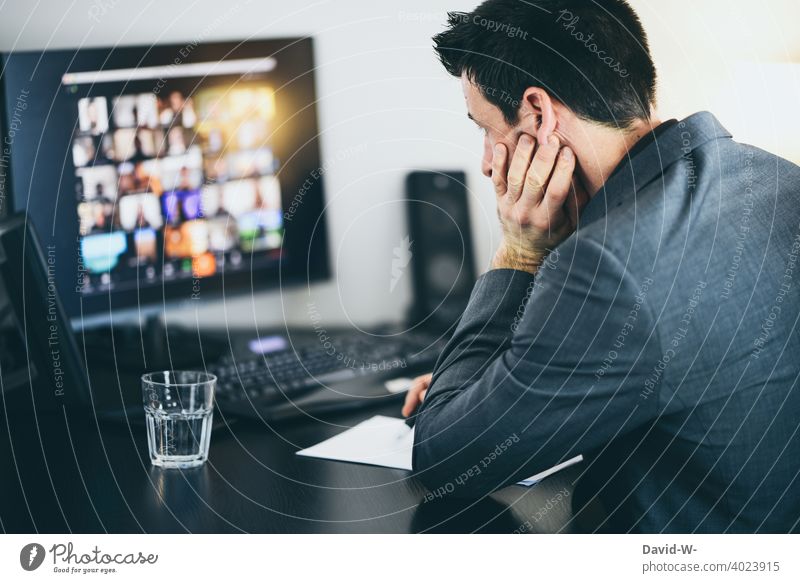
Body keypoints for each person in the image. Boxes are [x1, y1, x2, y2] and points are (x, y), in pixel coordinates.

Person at [405, 0, 800, 533]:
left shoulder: (607, 267)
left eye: (484, 128)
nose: (485, 160)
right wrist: (497, 387)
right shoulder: (777, 180)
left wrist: (520, 253)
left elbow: (443, 458)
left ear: (538, 114)